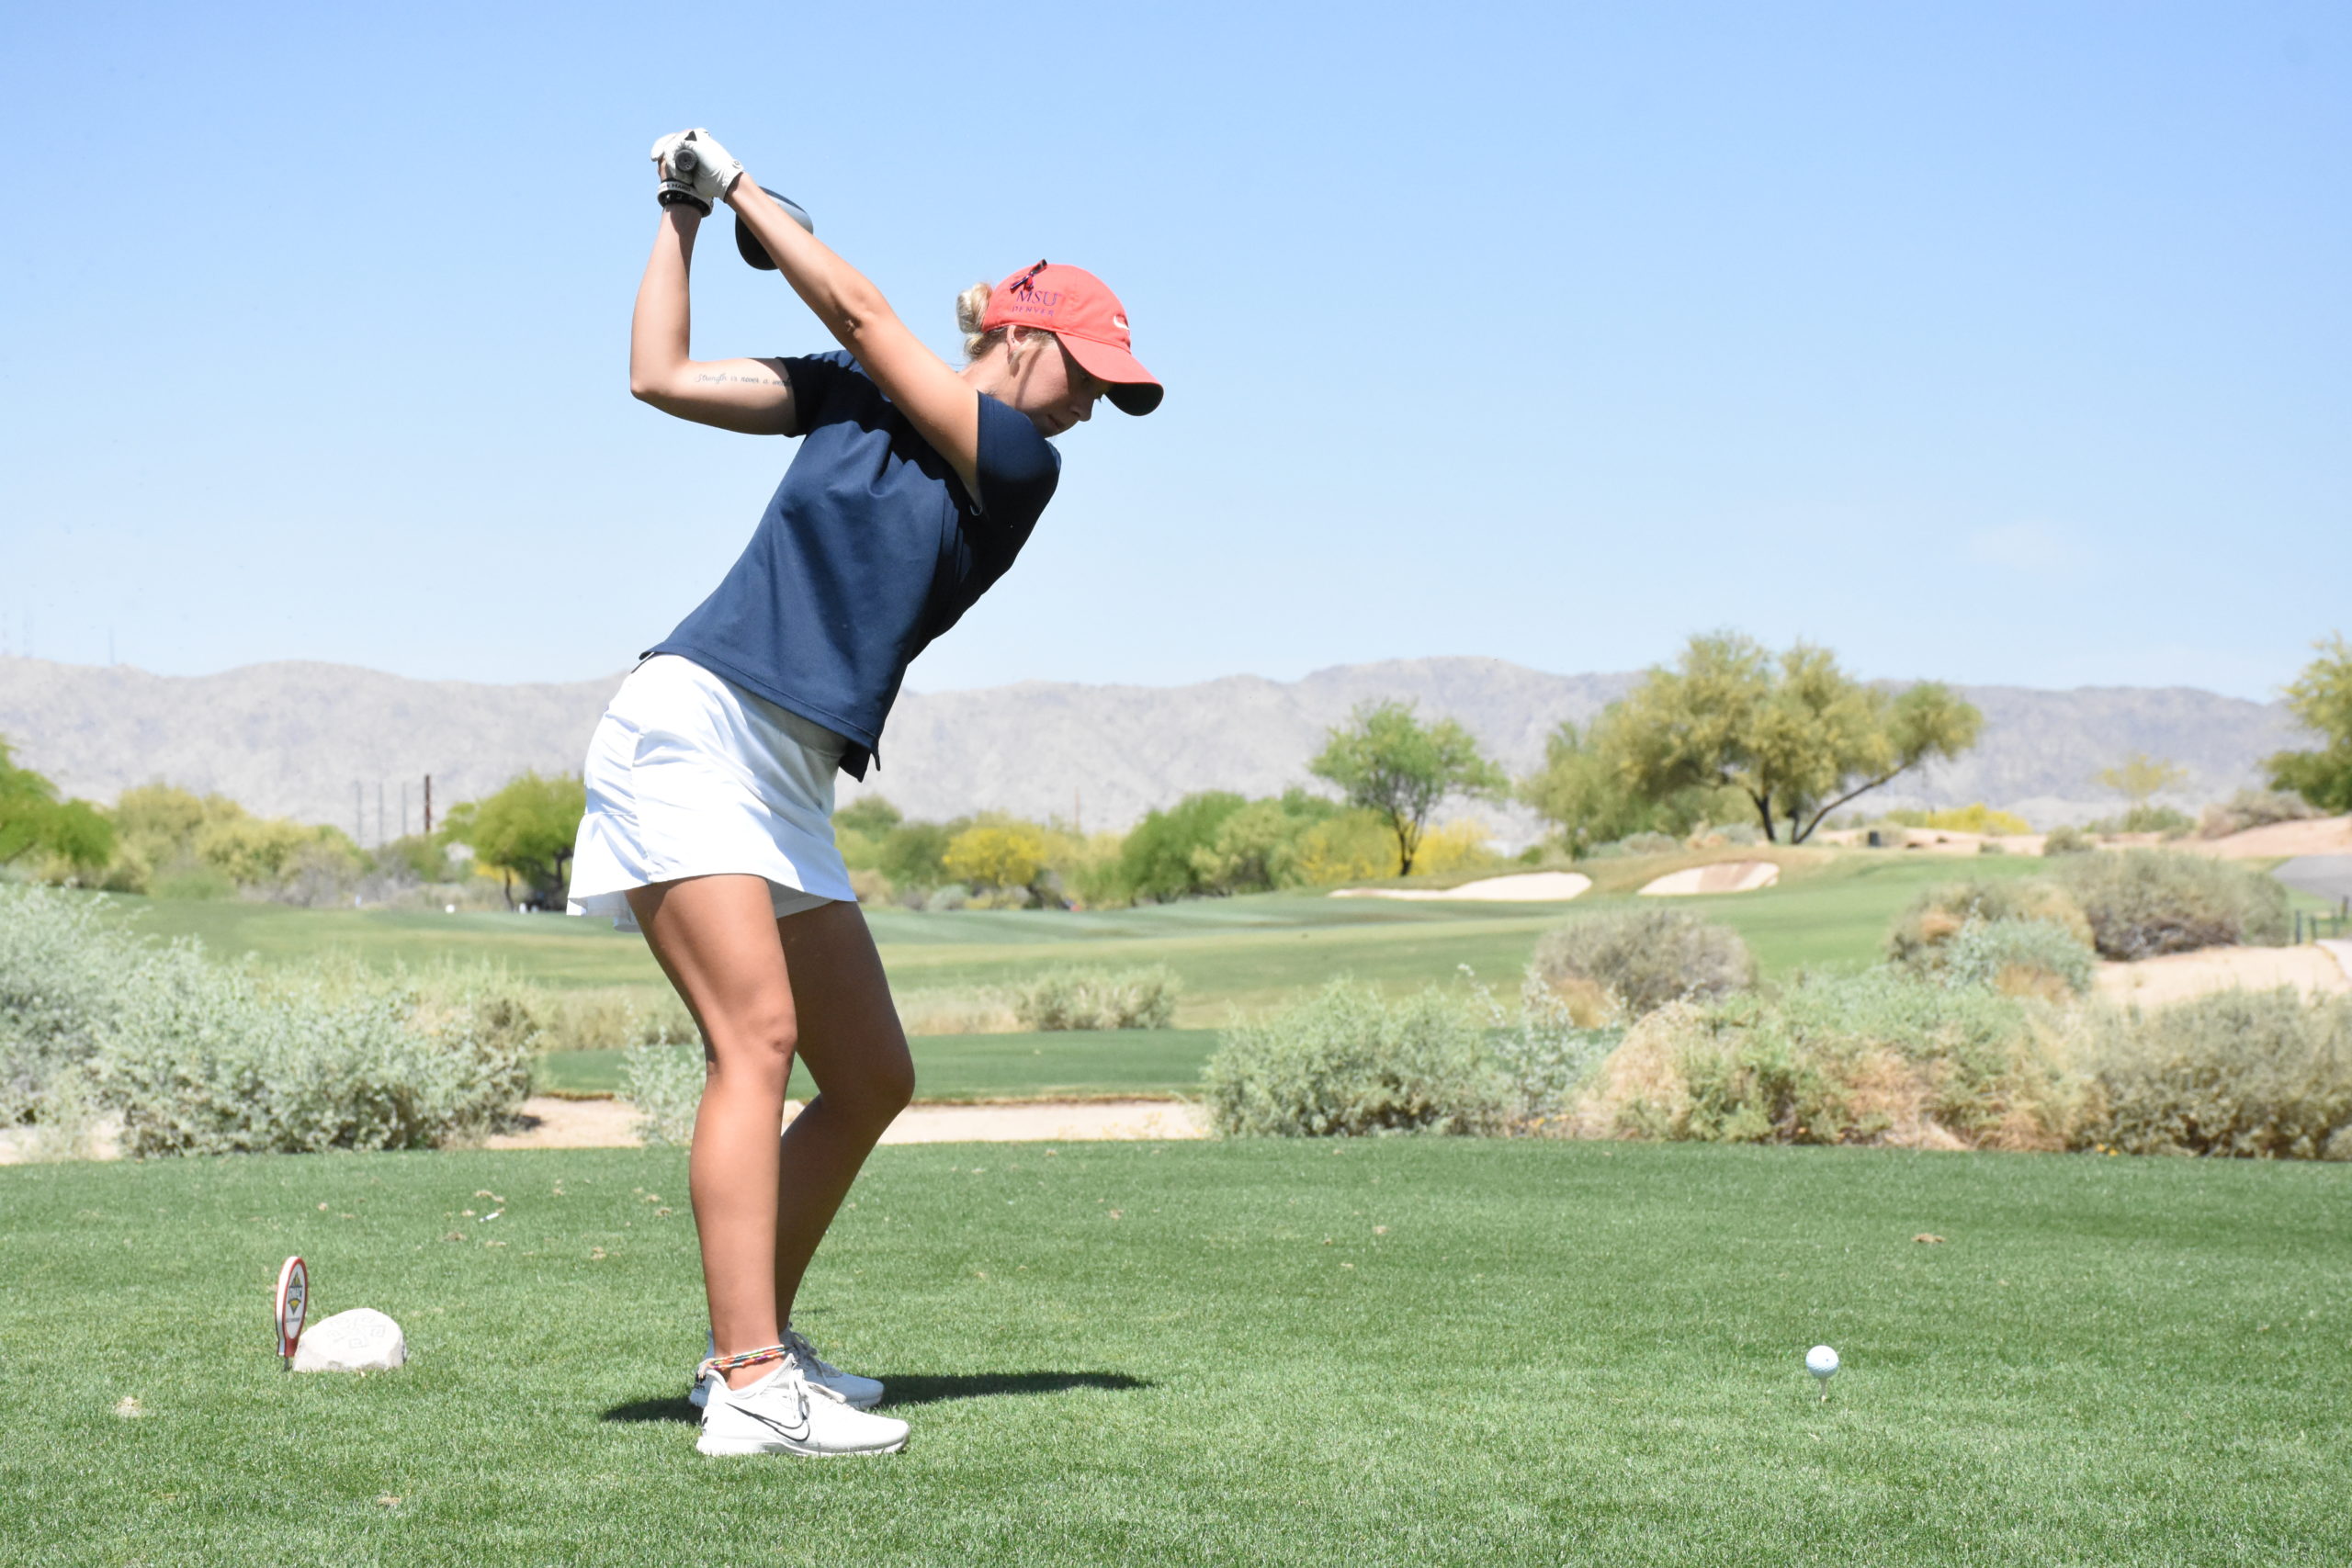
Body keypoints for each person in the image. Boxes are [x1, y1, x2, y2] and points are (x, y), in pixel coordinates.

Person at [563, 129, 1161, 1458]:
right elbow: (656, 374)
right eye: (1085, 373)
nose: (1085, 409)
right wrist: (683, 213)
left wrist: (749, 198)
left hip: (783, 772)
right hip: (696, 723)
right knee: (757, 1044)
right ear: (1016, 333)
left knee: (873, 1072)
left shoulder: (1015, 466)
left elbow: (861, 307)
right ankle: (751, 1377)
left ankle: (755, 1334)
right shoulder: (848, 394)